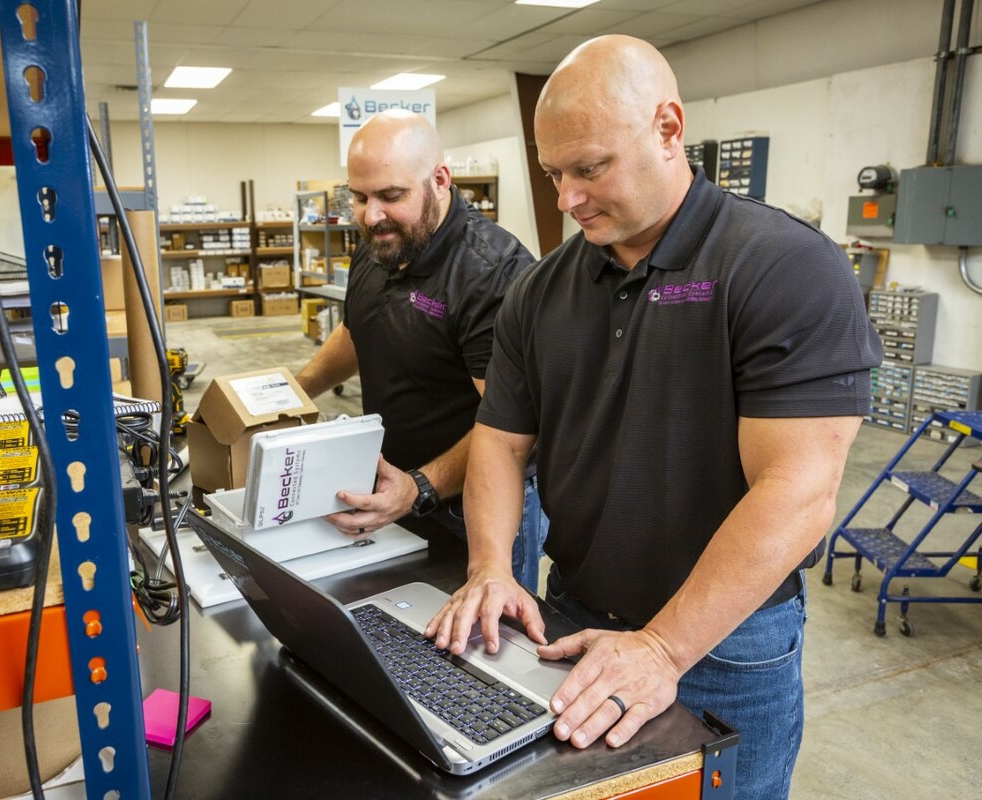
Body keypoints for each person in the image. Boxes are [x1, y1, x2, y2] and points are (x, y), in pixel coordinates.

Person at [426, 35, 882, 798]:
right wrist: (492, 568)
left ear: (669, 129)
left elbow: (798, 490)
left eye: (590, 168)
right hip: (571, 618)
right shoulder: (540, 292)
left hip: (725, 646)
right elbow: (501, 445)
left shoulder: (782, 266)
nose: (566, 198)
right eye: (554, 174)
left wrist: (664, 649)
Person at [295, 110, 548, 593]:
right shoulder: (378, 242)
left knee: (475, 647)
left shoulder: (491, 274)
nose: (372, 216)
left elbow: (517, 424)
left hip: (474, 504)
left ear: (440, 180)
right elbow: (359, 328)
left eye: (392, 196)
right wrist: (295, 390)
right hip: (394, 487)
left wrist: (420, 487)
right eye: (360, 197)